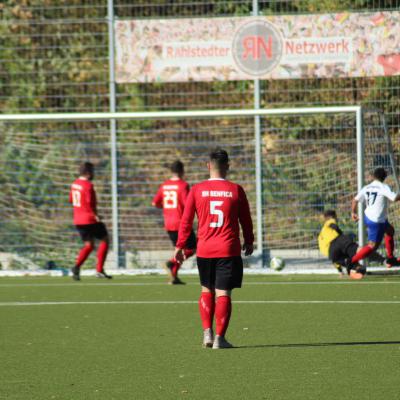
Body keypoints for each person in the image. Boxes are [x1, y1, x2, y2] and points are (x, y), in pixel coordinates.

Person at [175, 149, 254, 349]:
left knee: (206, 290)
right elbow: (245, 219)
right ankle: (220, 338)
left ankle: (207, 334)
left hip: (204, 249)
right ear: (228, 166)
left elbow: (186, 221)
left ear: (208, 166)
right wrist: (249, 240)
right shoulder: (236, 190)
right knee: (223, 293)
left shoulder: (197, 190)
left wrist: (180, 245)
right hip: (227, 249)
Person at [152, 160, 196, 284]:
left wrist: (167, 207)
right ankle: (171, 263)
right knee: (192, 248)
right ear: (182, 171)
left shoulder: (164, 185)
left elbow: (155, 203)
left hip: (168, 223)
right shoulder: (183, 185)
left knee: (180, 249)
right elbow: (188, 204)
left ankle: (173, 277)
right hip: (181, 223)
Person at [69, 162, 112, 281]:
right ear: (88, 173)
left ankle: (77, 267)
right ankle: (99, 270)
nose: (94, 174)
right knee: (105, 239)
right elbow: (89, 203)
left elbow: (71, 199)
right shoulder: (88, 185)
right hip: (89, 218)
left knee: (89, 245)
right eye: (92, 171)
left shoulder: (75, 184)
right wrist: (96, 215)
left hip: (78, 219)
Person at [350, 167, 400, 268]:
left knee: (390, 230)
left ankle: (391, 258)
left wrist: (353, 213)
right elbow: (394, 198)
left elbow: (355, 200)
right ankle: (351, 261)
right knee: (372, 246)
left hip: (368, 217)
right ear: (385, 177)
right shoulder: (383, 187)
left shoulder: (367, 187)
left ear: (374, 176)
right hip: (377, 220)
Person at [318, 210, 384, 279]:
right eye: (336, 217)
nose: (336, 219)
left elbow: (334, 260)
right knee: (360, 250)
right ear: (332, 216)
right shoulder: (329, 221)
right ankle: (384, 260)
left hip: (332, 254)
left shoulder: (321, 235)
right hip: (339, 241)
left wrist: (340, 271)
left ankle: (356, 269)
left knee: (350, 262)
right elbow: (333, 225)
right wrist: (341, 233)